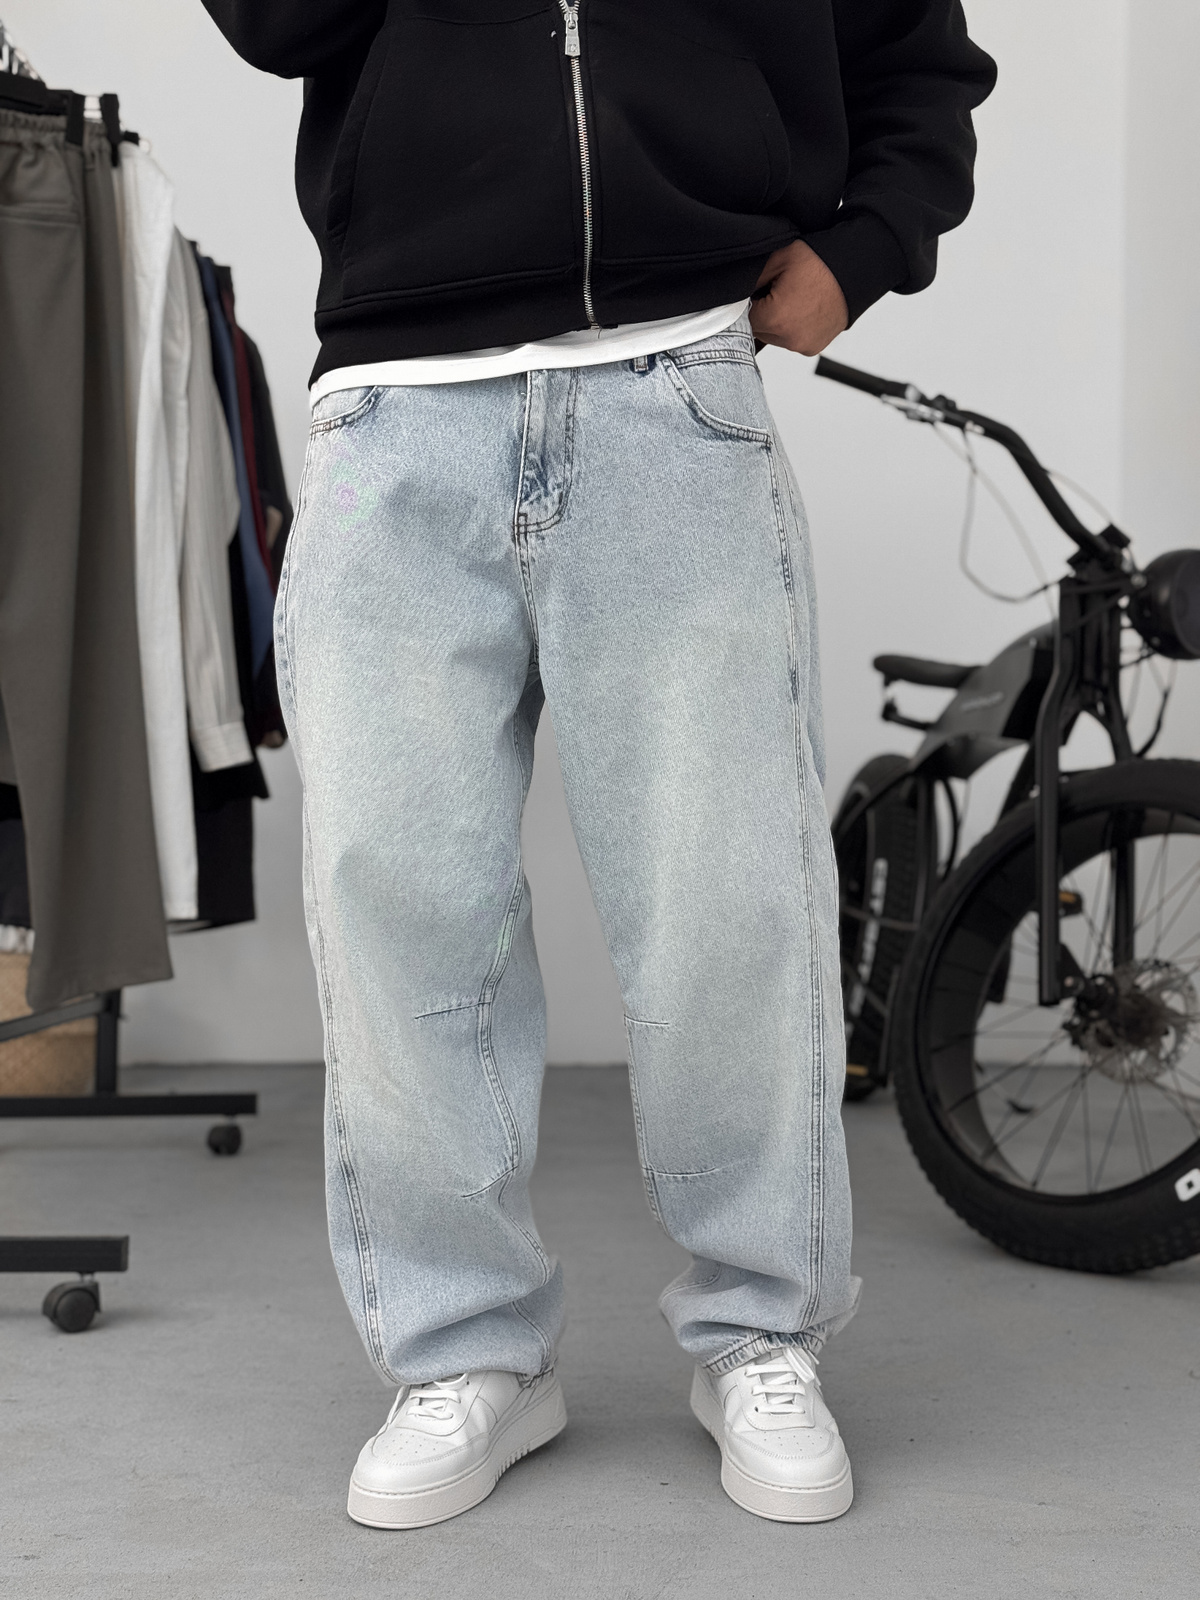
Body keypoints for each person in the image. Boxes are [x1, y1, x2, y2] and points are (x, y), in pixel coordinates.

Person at [204, 0, 995, 1529]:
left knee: (727, 902)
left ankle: (760, 1332)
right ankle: (462, 1350)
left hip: (673, 390)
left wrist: (868, 244)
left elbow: (918, 52)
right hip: (396, 416)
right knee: (397, 907)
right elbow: (274, 22)